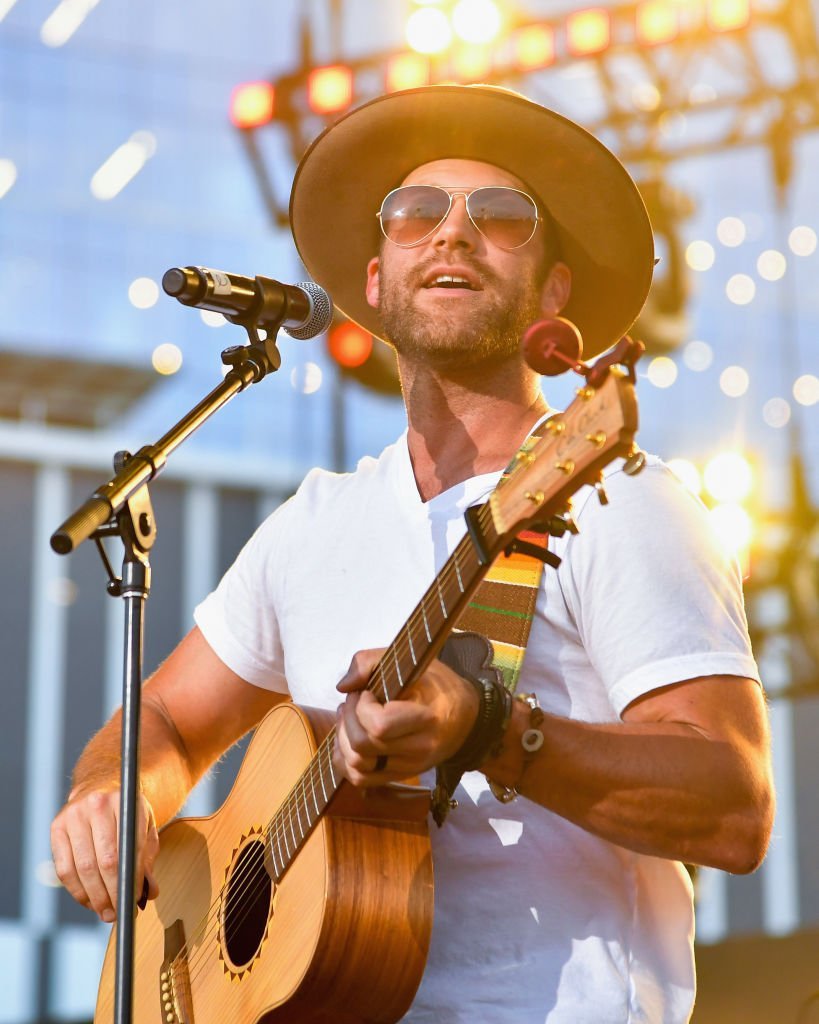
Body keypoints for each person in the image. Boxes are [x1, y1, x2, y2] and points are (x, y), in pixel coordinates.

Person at [51, 86, 774, 1023]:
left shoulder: (614, 495)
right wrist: (114, 796)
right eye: (417, 213)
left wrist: (488, 730)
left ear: (554, 292)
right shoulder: (311, 523)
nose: (453, 233)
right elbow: (169, 721)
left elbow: (733, 804)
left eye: (502, 217)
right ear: (376, 282)